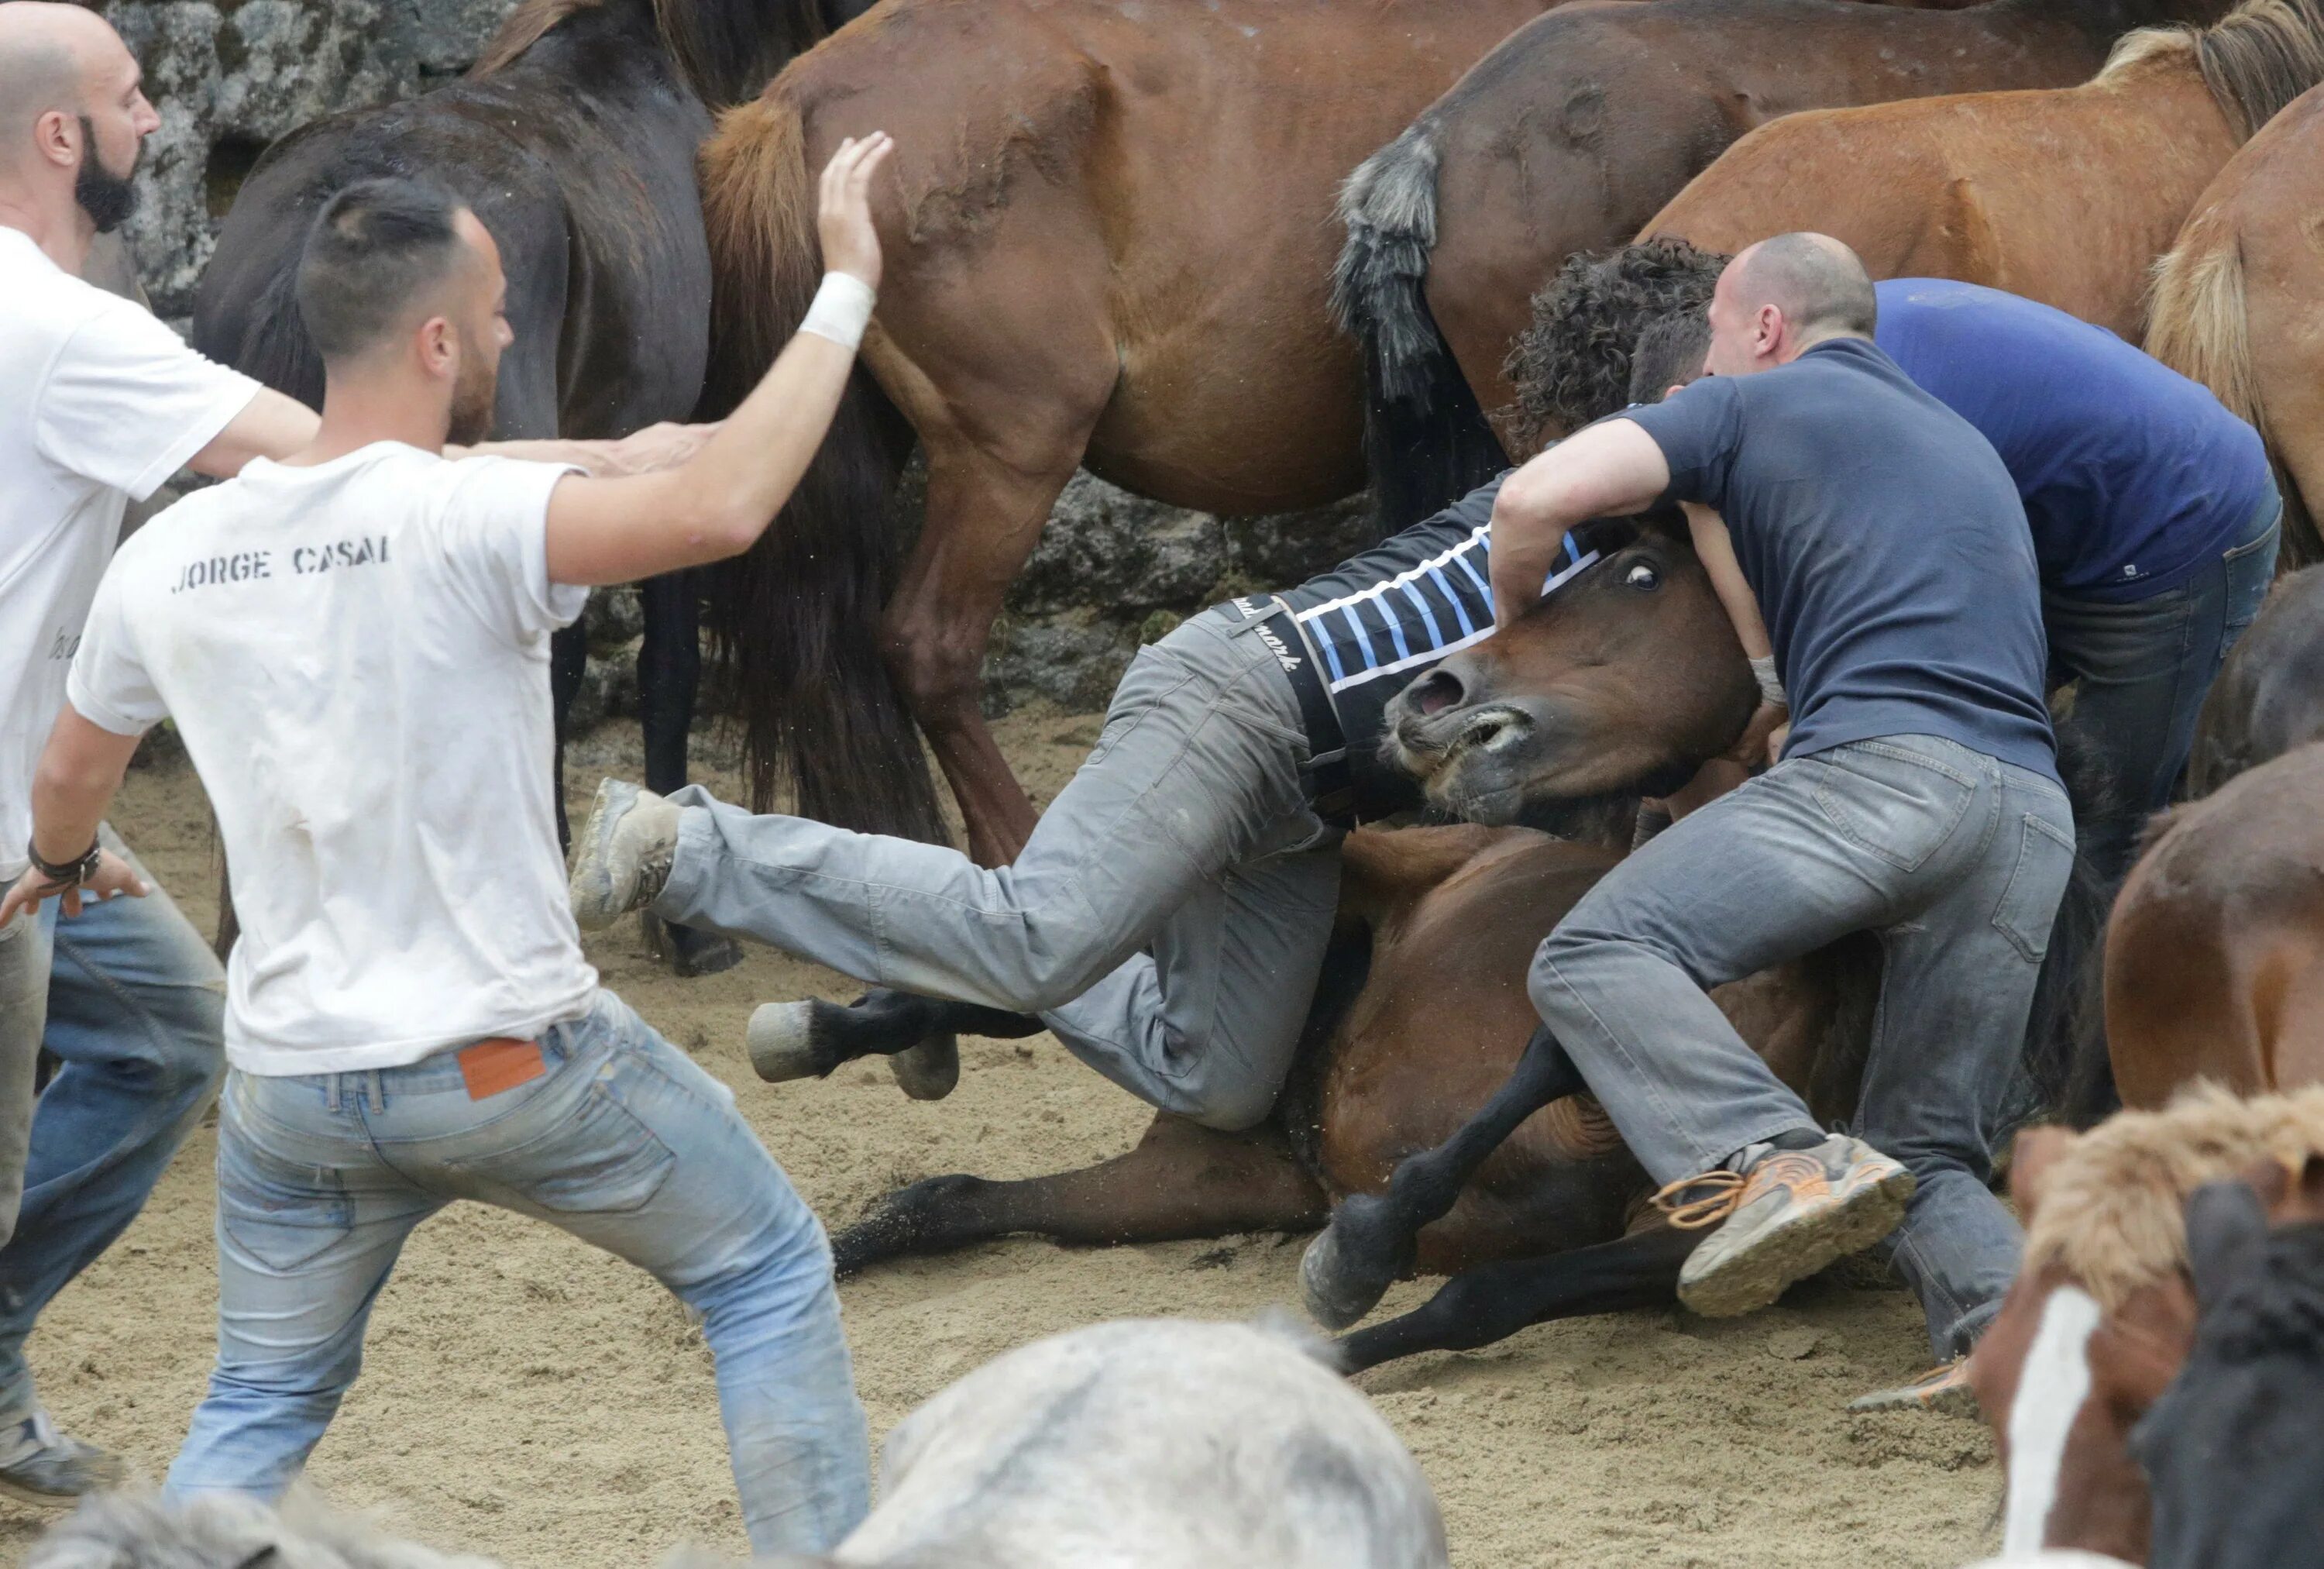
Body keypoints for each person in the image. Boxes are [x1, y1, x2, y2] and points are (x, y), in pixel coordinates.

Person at [0, 133, 899, 1547]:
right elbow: (729, 505)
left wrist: (59, 868)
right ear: (433, 340)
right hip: (501, 1060)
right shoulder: (474, 517)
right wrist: (844, 286)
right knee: (766, 1267)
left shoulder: (164, 557)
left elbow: (66, 775)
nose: (501, 334)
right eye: (492, 316)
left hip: (293, 1093)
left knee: (258, 1394)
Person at [567, 465, 1624, 1136]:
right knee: (1039, 934)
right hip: (1244, 700)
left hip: (1309, 807)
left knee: (1217, 1080)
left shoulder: (1660, 548)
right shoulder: (1614, 483)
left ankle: (930, 974)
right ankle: (684, 841)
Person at [1484, 234, 2075, 1395]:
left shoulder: (1742, 407)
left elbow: (1529, 497)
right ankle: (2023, 1350)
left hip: (1892, 780)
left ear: (1765, 328)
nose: (1706, 355)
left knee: (1601, 948)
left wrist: (1518, 633)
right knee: (1928, 1151)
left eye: (1712, 327)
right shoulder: (1956, 438)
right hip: (2028, 820)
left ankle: (1766, 1160)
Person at [1564, 249, 2279, 869]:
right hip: (2074, 513)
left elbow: (1909, 618)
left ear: (1765, 331)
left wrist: (1804, 719)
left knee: (2098, 828)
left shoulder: (1852, 431)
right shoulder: (1831, 342)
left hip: (2180, 535)